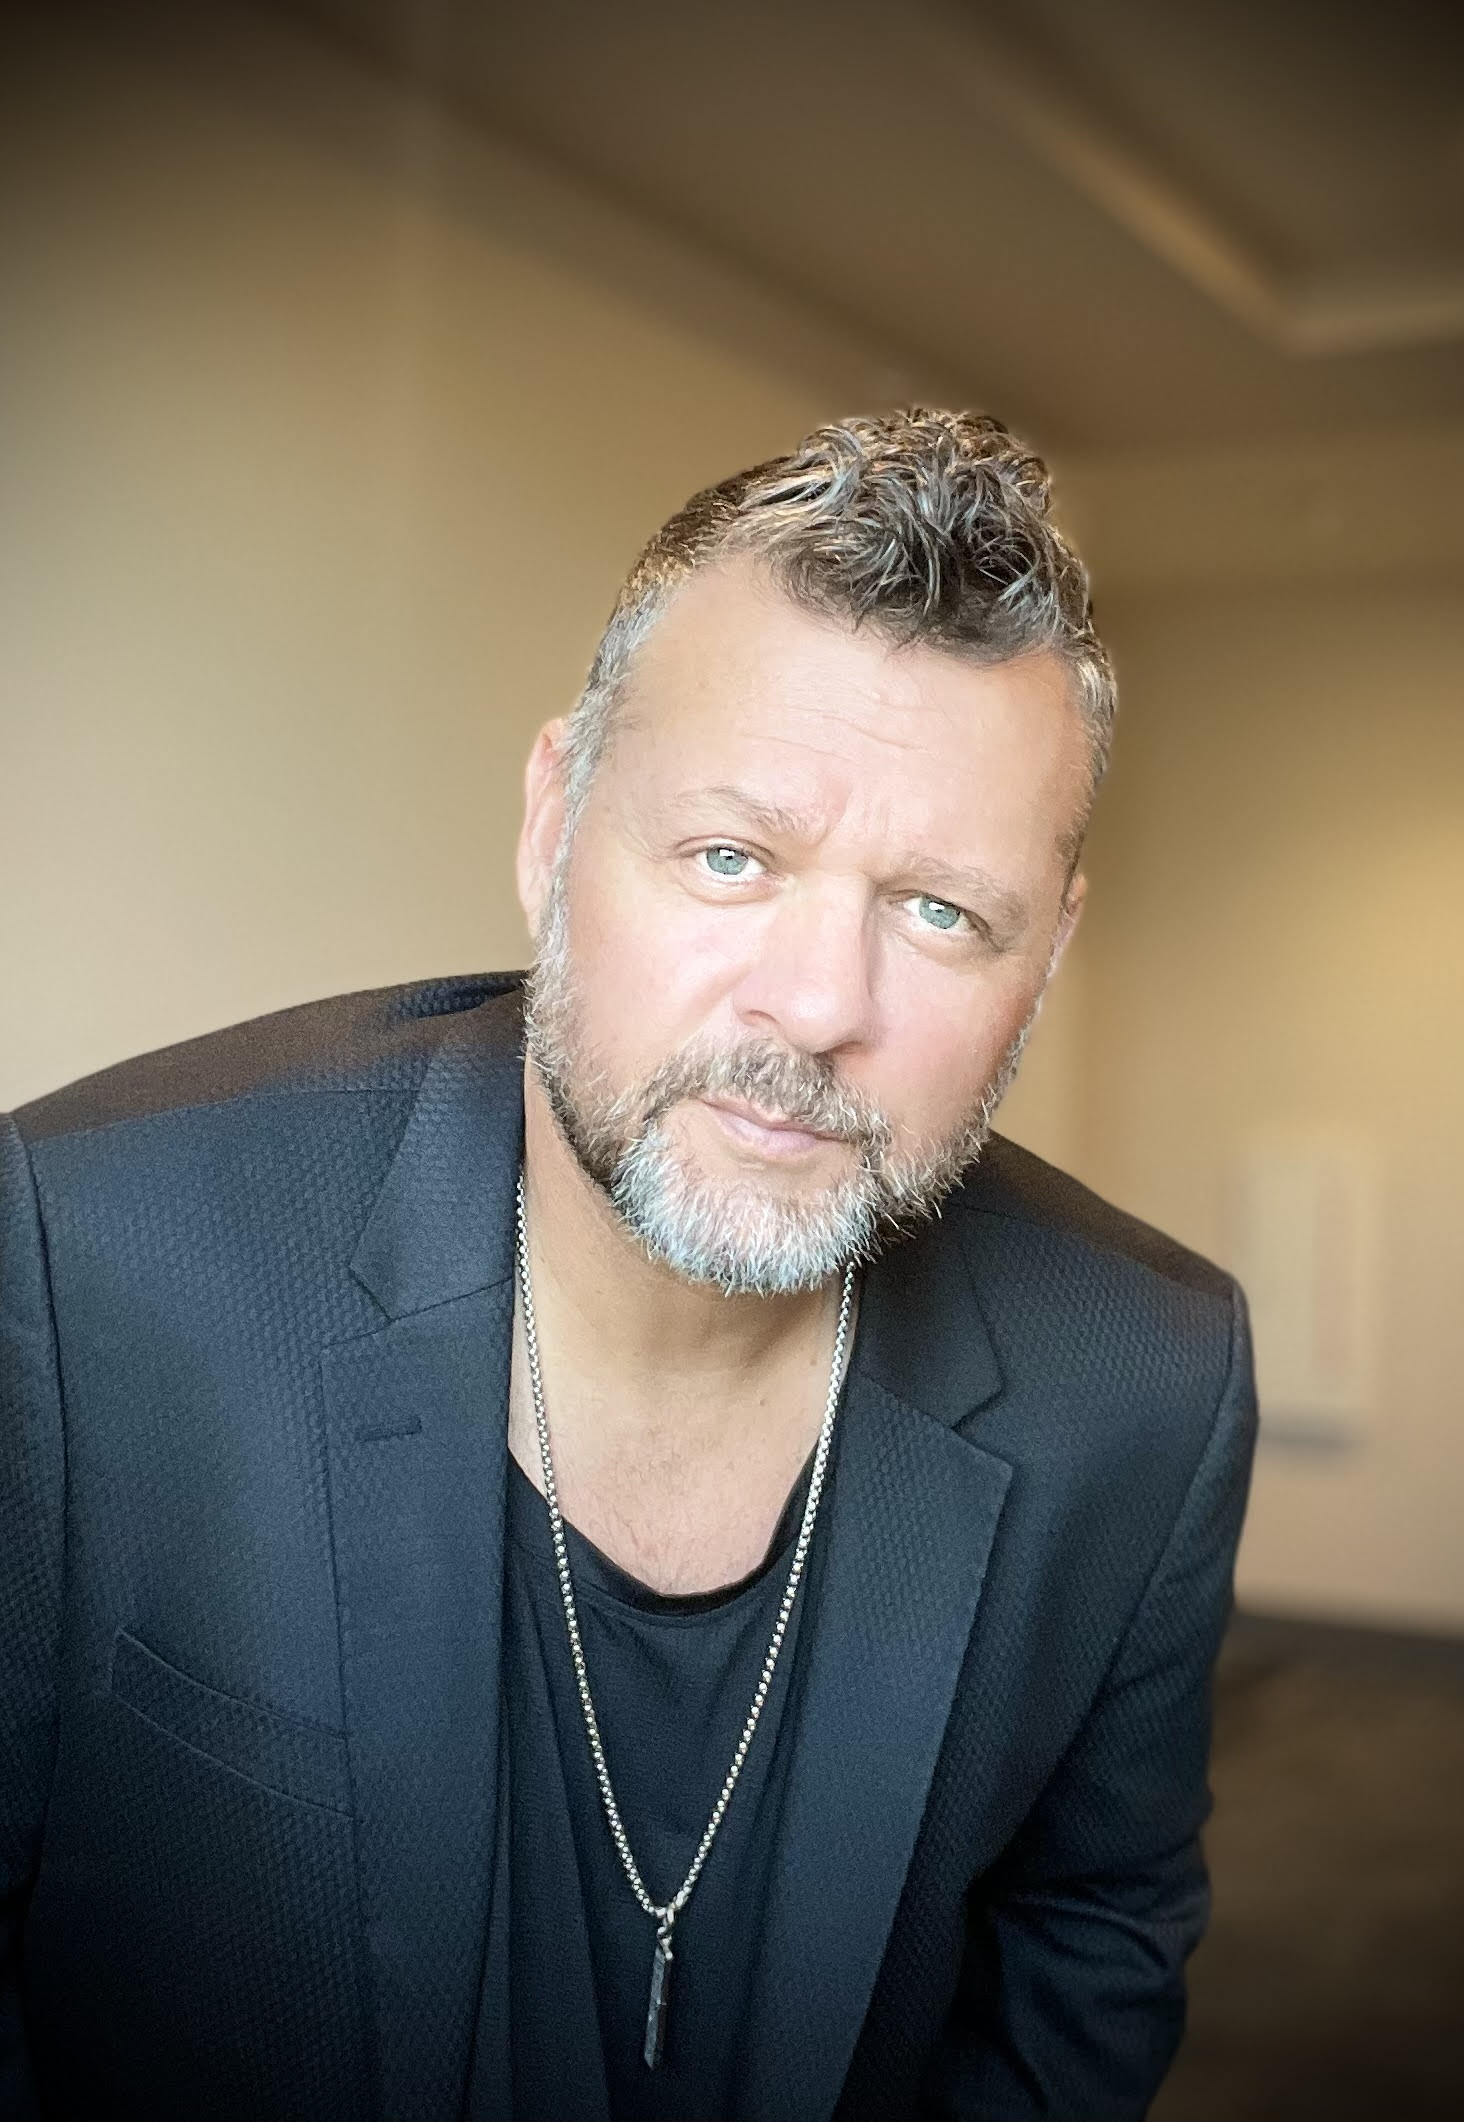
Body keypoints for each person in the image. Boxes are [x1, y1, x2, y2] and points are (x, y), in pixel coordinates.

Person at [0, 409, 1256, 2122]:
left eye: (942, 912)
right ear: (553, 823)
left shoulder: (1147, 1380)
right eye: (732, 857)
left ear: (1048, 954)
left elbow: (1091, 1934)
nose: (819, 1004)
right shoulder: (91, 1259)